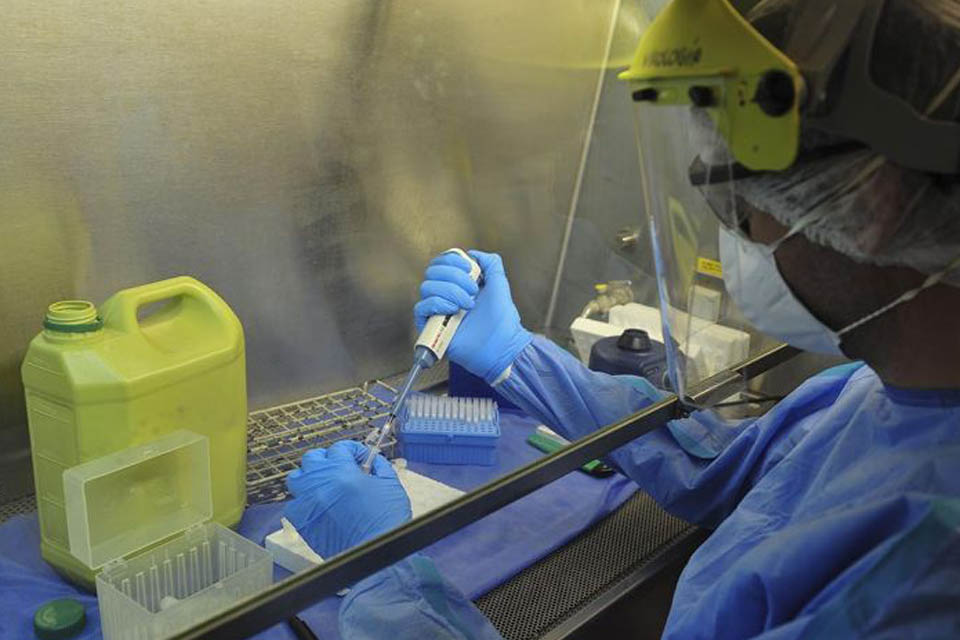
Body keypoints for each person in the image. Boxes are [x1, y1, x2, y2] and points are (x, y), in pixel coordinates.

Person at [285, 0, 960, 637]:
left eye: (744, 200)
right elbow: (726, 470)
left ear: (873, 205)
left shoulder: (920, 582)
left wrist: (384, 574)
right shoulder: (880, 394)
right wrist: (517, 356)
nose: (741, 231)